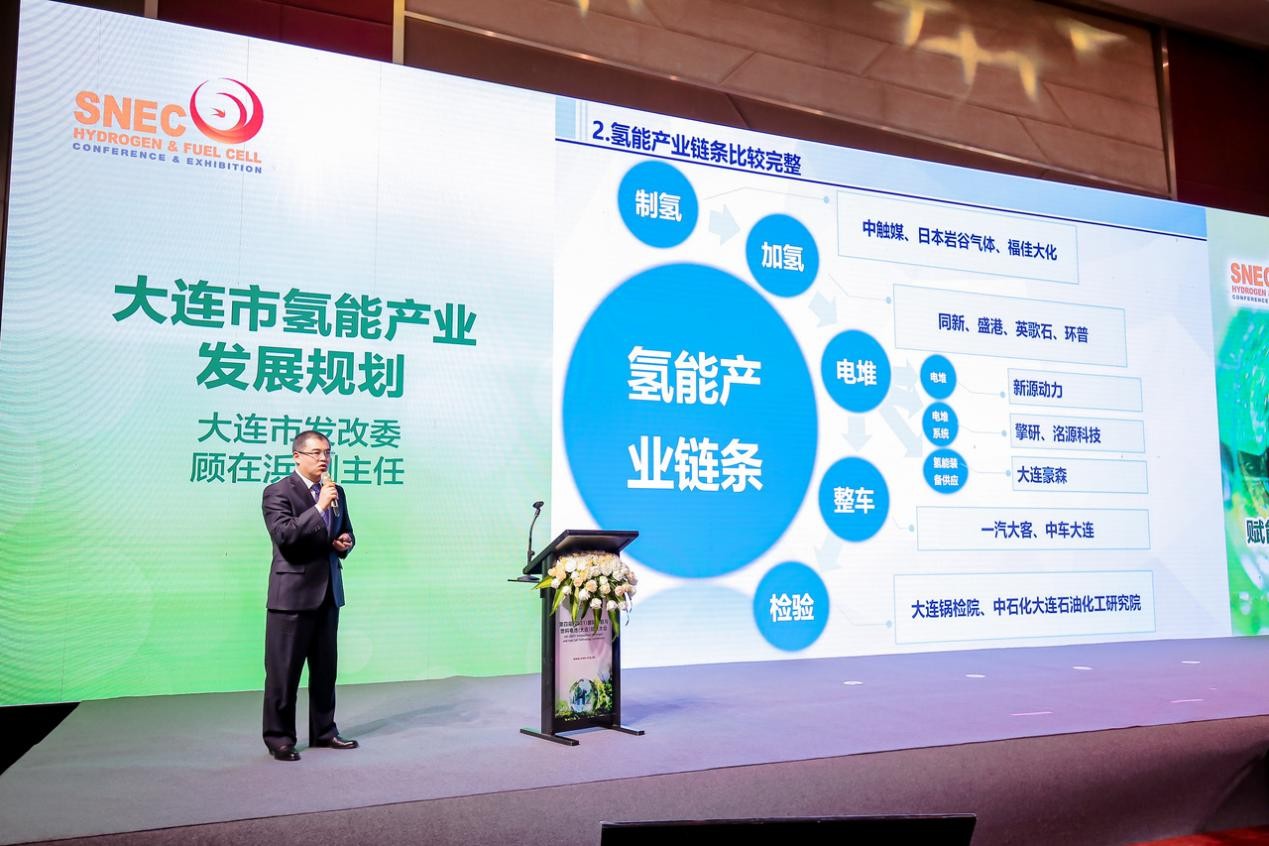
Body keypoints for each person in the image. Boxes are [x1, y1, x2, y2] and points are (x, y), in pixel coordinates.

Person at [261, 430, 358, 761]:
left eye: (327, 452)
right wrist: (318, 507)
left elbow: (345, 530)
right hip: (291, 595)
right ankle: (279, 738)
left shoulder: (336, 491)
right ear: (297, 456)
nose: (323, 459)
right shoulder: (277, 492)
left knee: (325, 670)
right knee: (283, 672)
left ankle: (324, 731)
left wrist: (344, 542)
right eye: (316, 452)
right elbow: (285, 536)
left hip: (328, 592)